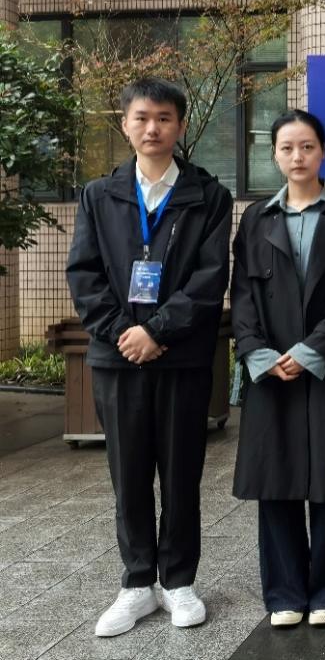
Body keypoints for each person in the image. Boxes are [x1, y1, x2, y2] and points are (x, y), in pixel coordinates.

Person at [66, 77, 233, 637]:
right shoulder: (99, 194)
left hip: (181, 358)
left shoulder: (209, 196)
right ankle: (137, 583)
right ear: (125, 125)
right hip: (119, 360)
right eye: (141, 117)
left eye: (164, 118)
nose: (152, 128)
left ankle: (179, 581)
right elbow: (85, 275)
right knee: (129, 473)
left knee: (182, 472)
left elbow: (210, 278)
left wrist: (157, 331)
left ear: (180, 125)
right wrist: (125, 334)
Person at [230, 110, 325, 628]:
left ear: (323, 152)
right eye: (287, 147)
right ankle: (285, 593)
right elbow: (242, 294)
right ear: (274, 154)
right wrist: (260, 355)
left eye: (307, 147)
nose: (297, 157)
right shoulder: (256, 218)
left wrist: (312, 351)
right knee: (277, 481)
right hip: (271, 372)